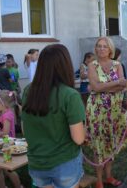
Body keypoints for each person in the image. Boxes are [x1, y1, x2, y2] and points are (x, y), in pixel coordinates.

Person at [22, 44, 85, 188]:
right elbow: (79, 138)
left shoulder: (28, 91)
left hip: (37, 164)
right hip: (64, 163)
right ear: (65, 64)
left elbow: (25, 131)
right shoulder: (70, 95)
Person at [86, 37, 127, 188]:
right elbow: (96, 87)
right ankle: (99, 181)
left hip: (115, 110)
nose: (101, 49)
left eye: (104, 46)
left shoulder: (117, 64)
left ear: (110, 49)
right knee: (99, 145)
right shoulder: (92, 65)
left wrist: (104, 86)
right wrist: (116, 83)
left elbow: (122, 86)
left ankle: (109, 176)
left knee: (110, 143)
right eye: (98, 46)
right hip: (97, 111)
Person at [0, 90, 21, 188]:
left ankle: (18, 186)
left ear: (3, 104)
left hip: (7, 146)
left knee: (8, 170)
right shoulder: (1, 113)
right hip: (0, 145)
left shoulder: (7, 115)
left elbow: (6, 133)